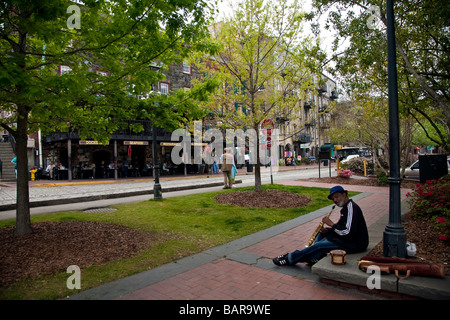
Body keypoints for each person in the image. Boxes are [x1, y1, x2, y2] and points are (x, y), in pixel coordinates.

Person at [272, 185, 369, 266]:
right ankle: (314, 257)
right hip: (346, 239)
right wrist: (328, 230)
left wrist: (331, 224)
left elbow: (347, 232)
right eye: (333, 198)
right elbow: (341, 227)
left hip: (355, 244)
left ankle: (290, 258)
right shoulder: (345, 208)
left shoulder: (351, 208)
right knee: (321, 234)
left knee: (319, 246)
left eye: (337, 197)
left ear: (344, 194)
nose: (335, 200)